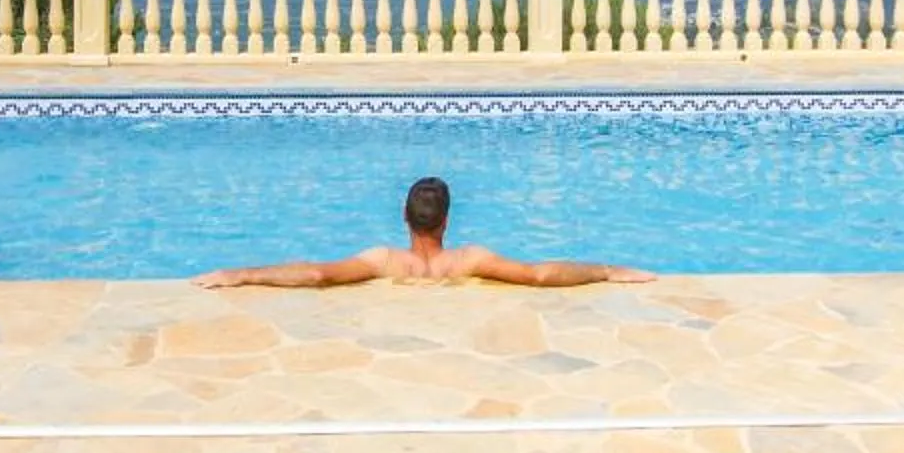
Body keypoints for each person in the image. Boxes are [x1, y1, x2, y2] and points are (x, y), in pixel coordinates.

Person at [196, 176, 654, 289]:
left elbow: (317, 275)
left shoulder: (385, 262)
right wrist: (607, 271)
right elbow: (539, 275)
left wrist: (242, 274)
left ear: (405, 218)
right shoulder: (469, 261)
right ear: (447, 221)